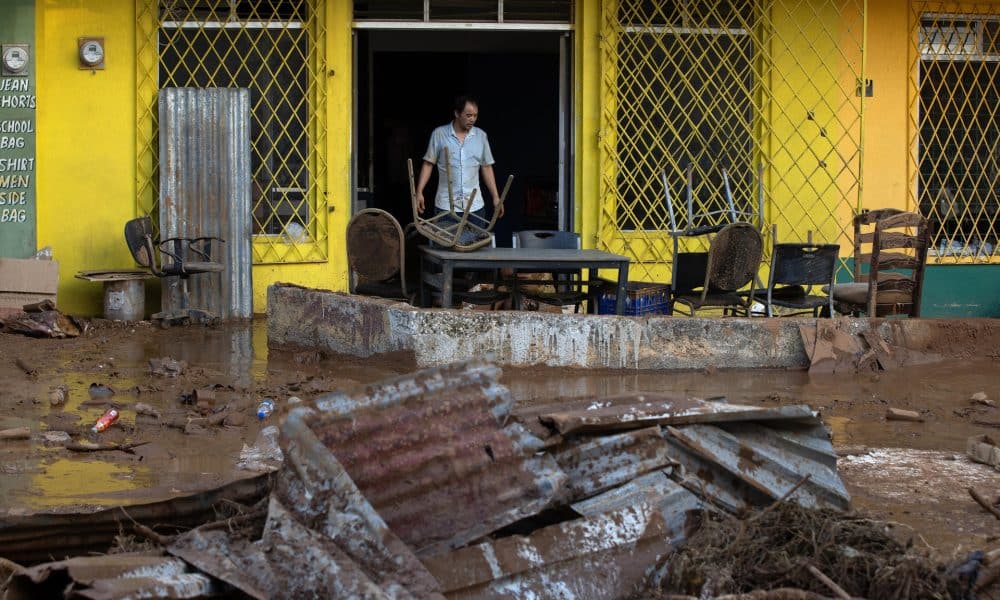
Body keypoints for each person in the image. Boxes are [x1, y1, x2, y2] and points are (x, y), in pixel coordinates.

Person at [414, 95, 504, 226]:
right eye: (468, 115)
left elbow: (486, 167)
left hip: (475, 207)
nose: (472, 119)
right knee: (446, 244)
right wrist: (419, 191)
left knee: (474, 244)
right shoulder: (439, 134)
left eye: (475, 115)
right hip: (446, 206)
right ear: (457, 113)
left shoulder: (481, 136)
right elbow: (428, 164)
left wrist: (496, 197)